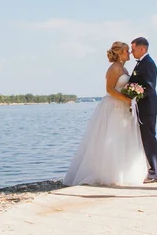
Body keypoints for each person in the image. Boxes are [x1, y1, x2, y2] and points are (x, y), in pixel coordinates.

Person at [63, 41, 149, 186]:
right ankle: (111, 174)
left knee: (124, 139)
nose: (129, 53)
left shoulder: (123, 68)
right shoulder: (114, 68)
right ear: (120, 53)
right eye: (127, 51)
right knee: (113, 138)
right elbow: (109, 89)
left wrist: (131, 97)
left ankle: (124, 171)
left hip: (124, 107)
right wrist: (126, 99)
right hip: (114, 107)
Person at [128, 37, 157, 182]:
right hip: (143, 108)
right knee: (146, 139)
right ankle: (152, 171)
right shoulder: (143, 63)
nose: (131, 52)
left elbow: (149, 87)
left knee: (149, 139)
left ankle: (154, 173)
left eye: (133, 49)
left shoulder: (147, 64)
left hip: (147, 108)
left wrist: (133, 93)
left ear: (142, 49)